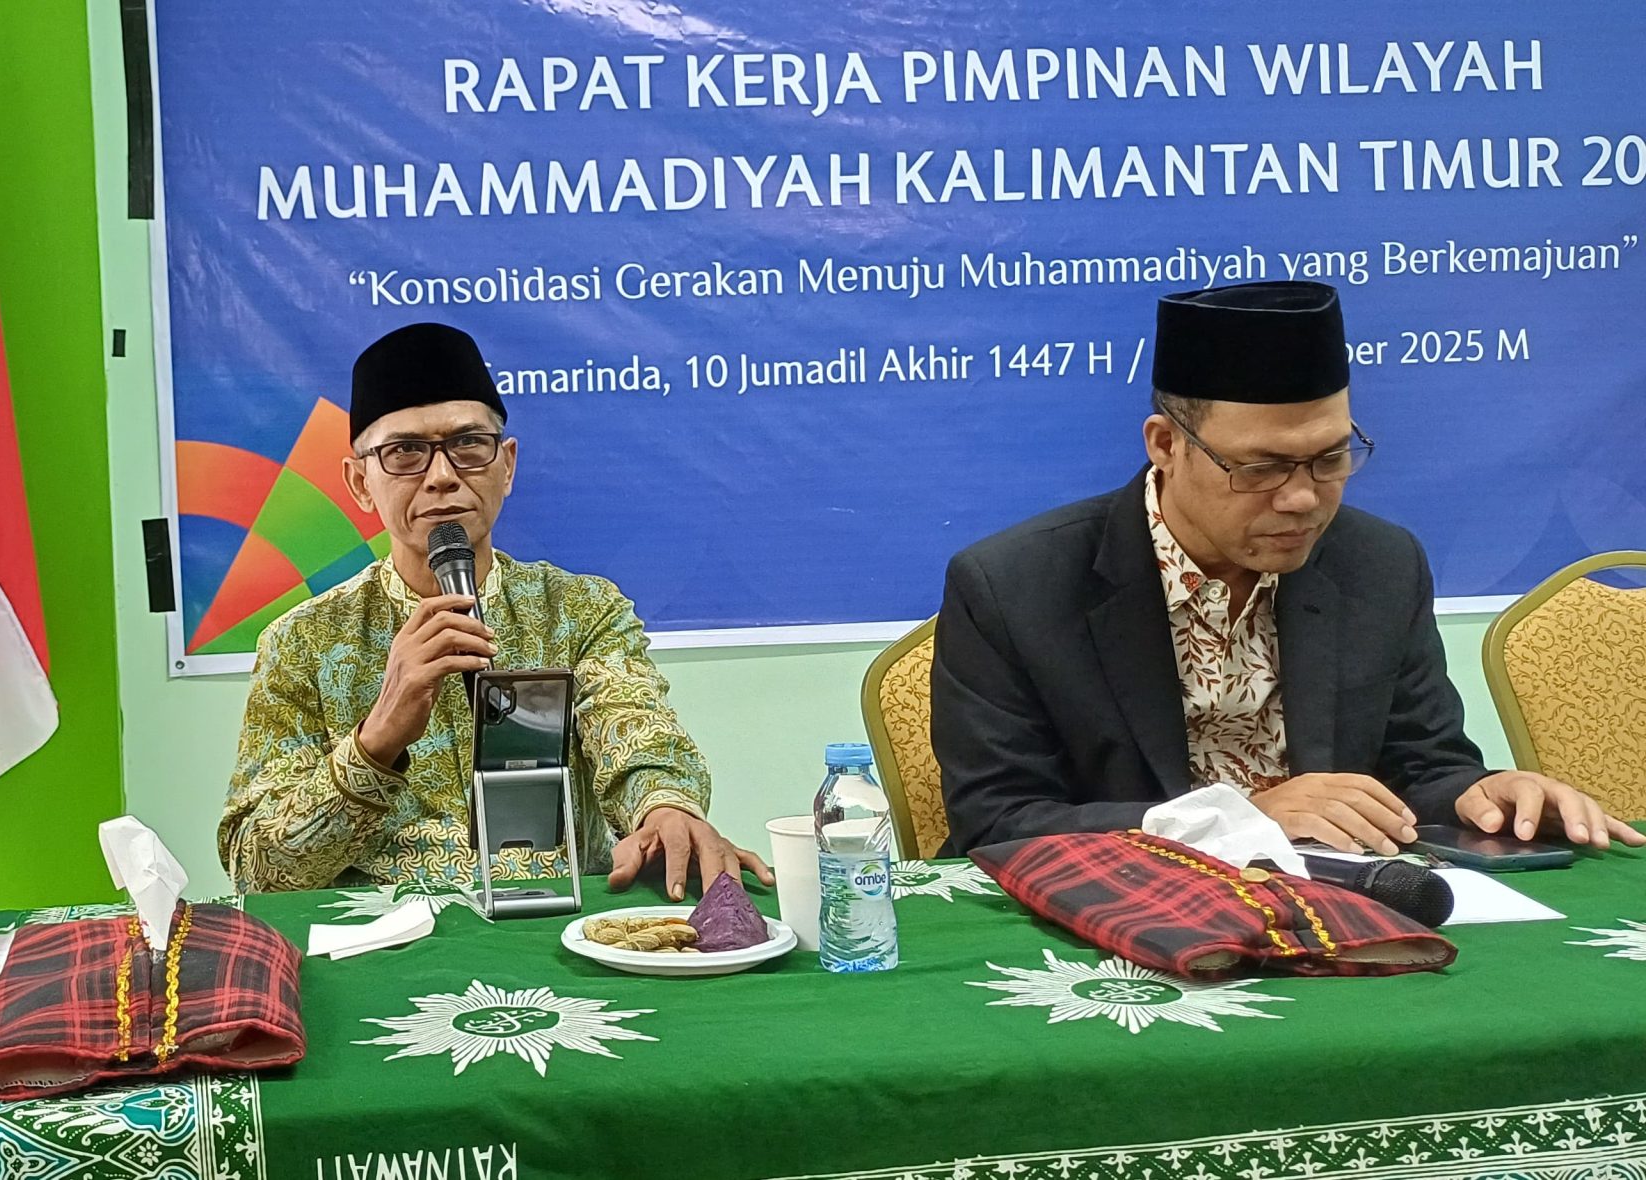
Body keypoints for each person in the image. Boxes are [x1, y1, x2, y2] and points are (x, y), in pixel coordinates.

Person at [932, 281, 1642, 856]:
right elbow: (998, 822)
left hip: (1343, 900)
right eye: (1261, 467)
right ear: (1166, 445)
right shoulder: (1014, 587)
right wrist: (1237, 818)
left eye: (1331, 458)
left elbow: (1422, 765)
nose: (1302, 499)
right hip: (1131, 914)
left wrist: (1478, 794)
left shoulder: (1380, 564)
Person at [221, 322, 770, 898]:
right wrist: (376, 739)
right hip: (383, 937)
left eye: (467, 445)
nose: (441, 477)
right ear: (360, 483)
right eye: (405, 452)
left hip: (556, 929)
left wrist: (663, 809)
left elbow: (635, 731)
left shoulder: (579, 612)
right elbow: (259, 871)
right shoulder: (304, 642)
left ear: (506, 466)